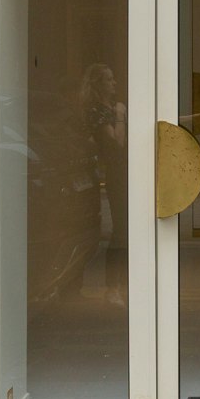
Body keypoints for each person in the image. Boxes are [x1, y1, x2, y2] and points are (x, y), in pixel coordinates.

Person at [78, 64, 128, 301]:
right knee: (122, 229)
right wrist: (119, 114)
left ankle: (123, 285)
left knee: (130, 230)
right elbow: (117, 144)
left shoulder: (111, 108)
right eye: (108, 79)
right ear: (98, 84)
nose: (114, 83)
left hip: (129, 171)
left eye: (113, 78)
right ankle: (113, 287)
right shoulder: (98, 111)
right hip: (117, 174)